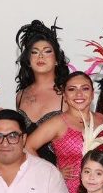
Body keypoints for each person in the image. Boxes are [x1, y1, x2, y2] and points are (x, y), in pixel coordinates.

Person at [26, 71, 103, 193]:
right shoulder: (57, 123)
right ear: (64, 95)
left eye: (85, 88)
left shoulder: (101, 118)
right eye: (72, 89)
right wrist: (53, 172)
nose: (79, 94)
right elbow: (27, 147)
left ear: (92, 94)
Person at [14, 20, 70, 164]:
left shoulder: (67, 94)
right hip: (24, 169)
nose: (40, 56)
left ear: (57, 59)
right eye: (34, 52)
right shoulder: (21, 95)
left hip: (58, 171)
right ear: (28, 60)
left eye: (47, 51)